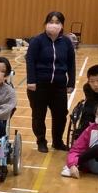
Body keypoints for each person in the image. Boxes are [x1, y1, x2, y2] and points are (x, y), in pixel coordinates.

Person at [25, 11, 75, 153]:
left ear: (62, 25)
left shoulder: (66, 42)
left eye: (57, 22)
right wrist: (31, 81)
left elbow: (71, 63)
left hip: (59, 86)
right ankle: (41, 141)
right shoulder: (37, 41)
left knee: (61, 115)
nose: (54, 25)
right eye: (51, 21)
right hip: (39, 85)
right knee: (38, 115)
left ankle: (57, 142)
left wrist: (71, 83)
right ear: (46, 23)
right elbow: (30, 61)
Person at [63, 102, 98, 178]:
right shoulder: (90, 130)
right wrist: (72, 165)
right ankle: (72, 166)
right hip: (92, 165)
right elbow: (75, 150)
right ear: (95, 116)